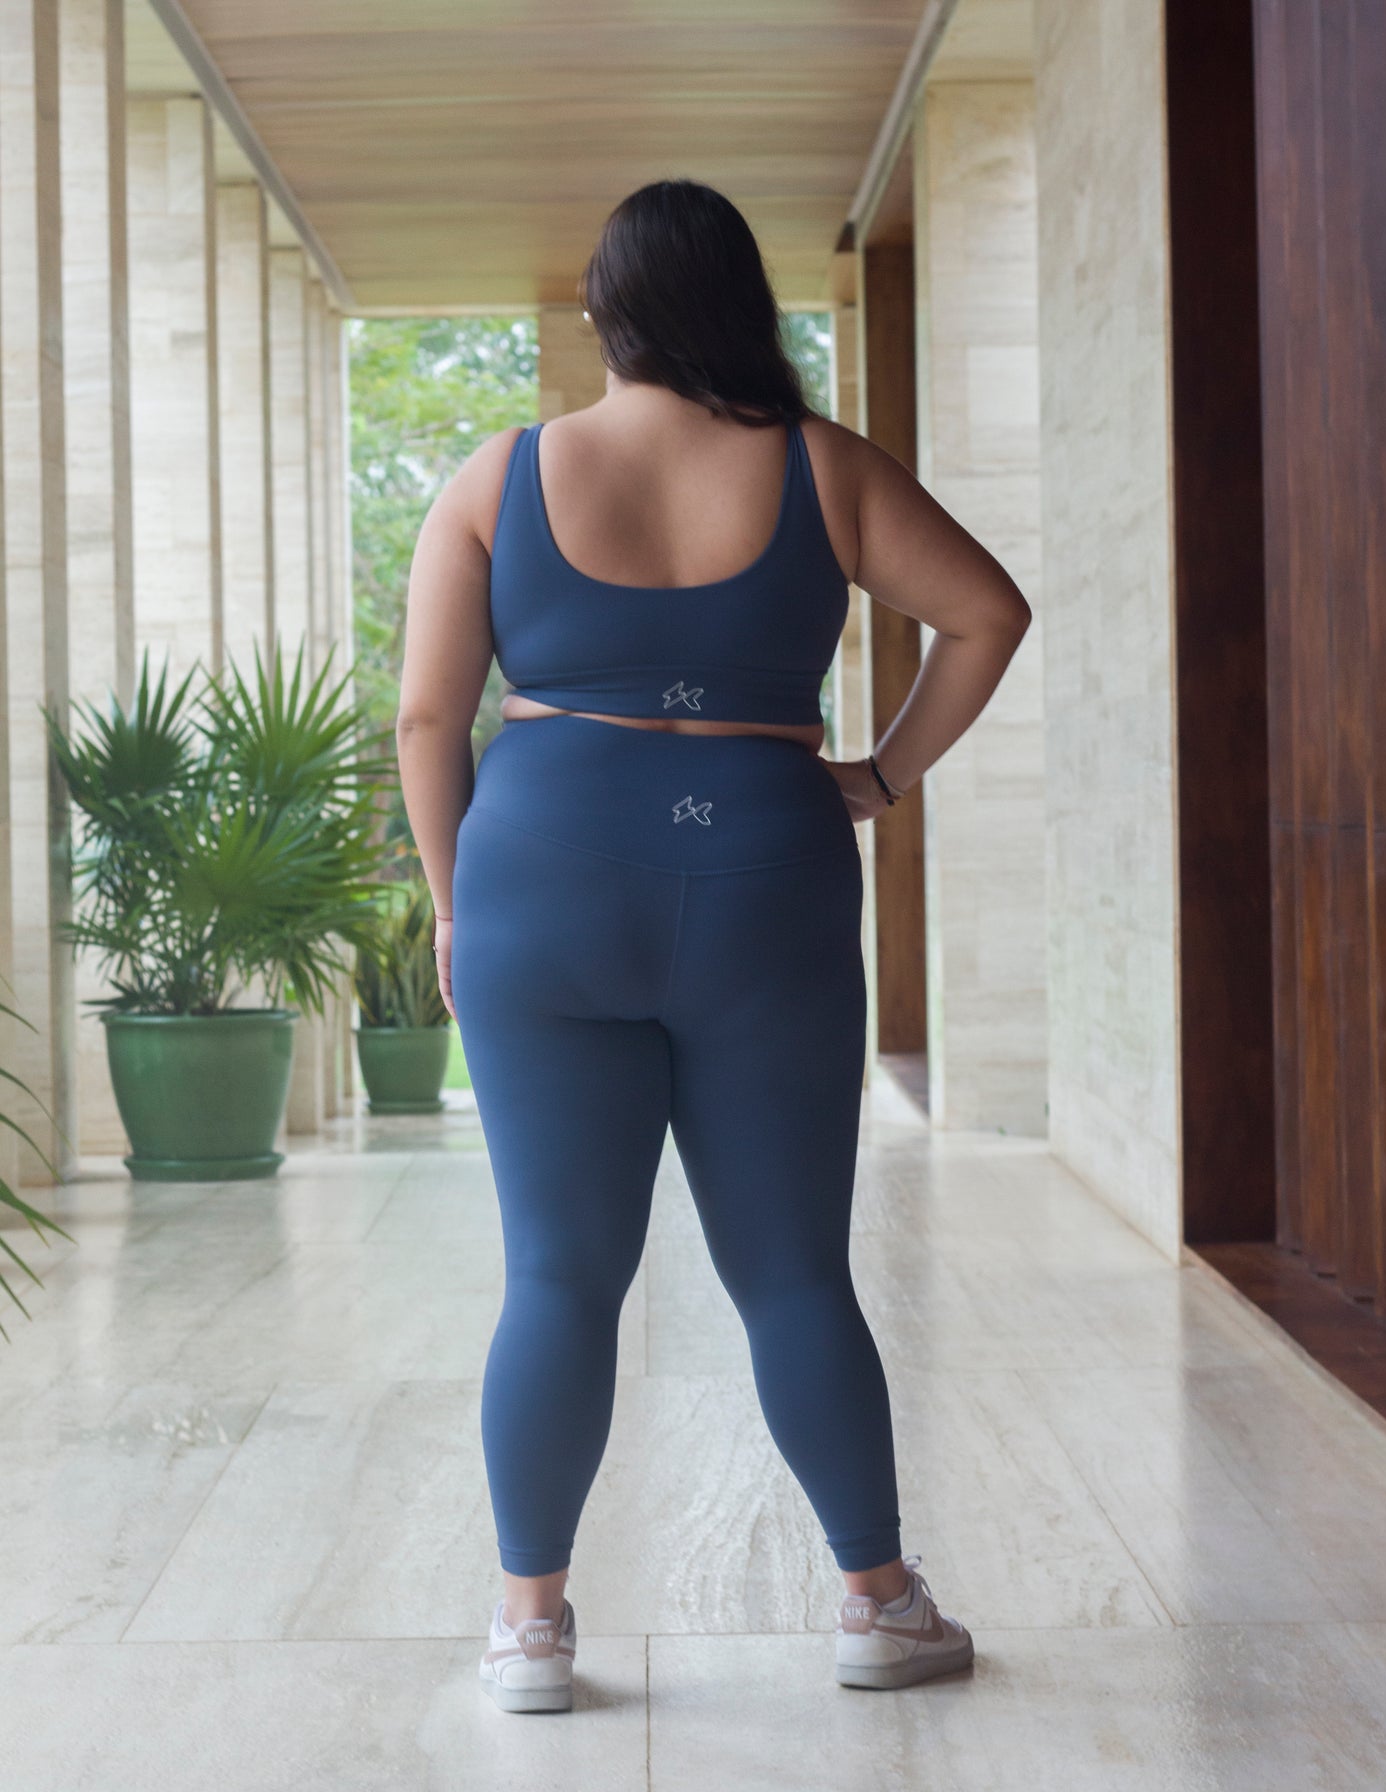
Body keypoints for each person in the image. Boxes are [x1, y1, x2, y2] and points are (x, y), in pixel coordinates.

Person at [396, 179, 1032, 1714]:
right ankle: (876, 1604)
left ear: (605, 314)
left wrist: (456, 903)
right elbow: (987, 614)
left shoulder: (498, 476)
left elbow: (425, 717)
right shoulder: (822, 466)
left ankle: (530, 1630)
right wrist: (878, 776)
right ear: (738, 302)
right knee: (794, 1270)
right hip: (765, 879)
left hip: (544, 887)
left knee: (558, 1274)